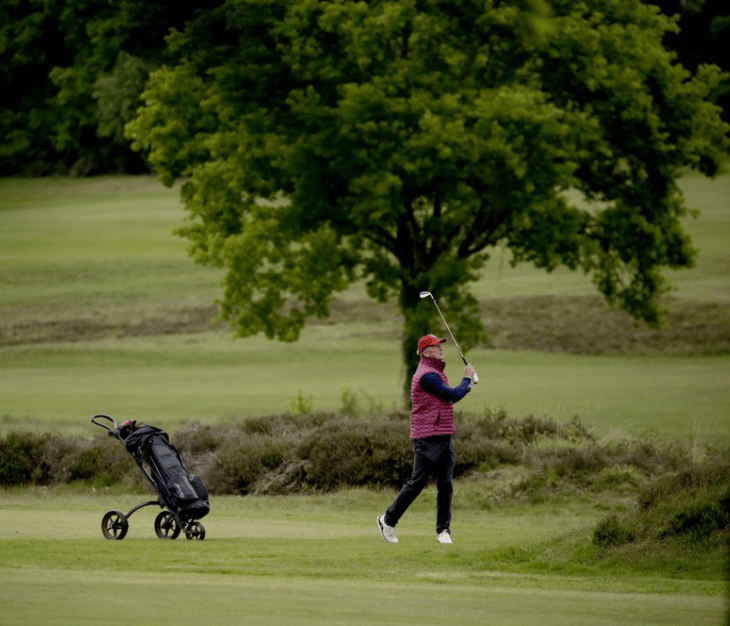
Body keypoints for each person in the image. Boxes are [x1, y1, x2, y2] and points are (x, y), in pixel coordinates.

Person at [377, 334, 476, 544]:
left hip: (443, 435)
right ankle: (388, 520)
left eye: (441, 347)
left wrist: (467, 386)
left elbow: (449, 398)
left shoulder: (436, 373)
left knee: (446, 485)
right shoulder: (427, 376)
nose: (441, 350)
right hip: (427, 437)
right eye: (438, 347)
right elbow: (451, 395)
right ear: (427, 352)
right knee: (417, 483)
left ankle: (443, 531)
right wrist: (466, 378)